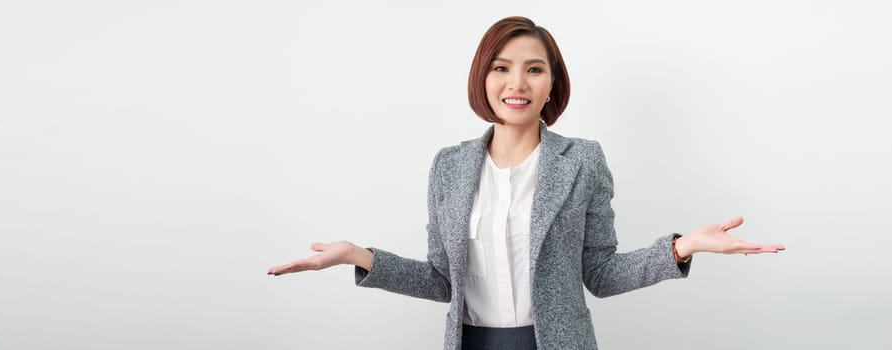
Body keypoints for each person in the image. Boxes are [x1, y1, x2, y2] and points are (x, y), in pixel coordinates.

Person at [267, 16, 785, 350]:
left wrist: (681, 248)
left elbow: (601, 274)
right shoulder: (447, 167)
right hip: (470, 342)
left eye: (534, 69)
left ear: (552, 83)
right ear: (483, 78)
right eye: (502, 68)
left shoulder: (581, 160)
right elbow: (441, 281)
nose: (517, 84)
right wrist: (359, 256)